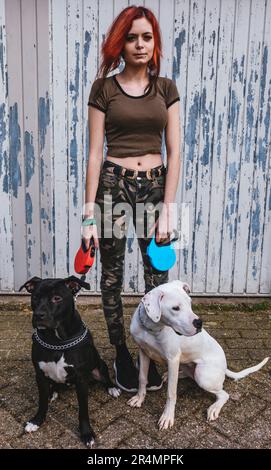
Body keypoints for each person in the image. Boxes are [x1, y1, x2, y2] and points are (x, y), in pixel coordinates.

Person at [82, 5, 181, 392]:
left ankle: (153, 348)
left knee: (159, 278)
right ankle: (121, 351)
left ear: (154, 43)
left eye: (147, 37)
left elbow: (175, 151)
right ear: (119, 43)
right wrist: (88, 214)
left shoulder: (166, 88)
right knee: (111, 276)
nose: (139, 44)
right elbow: (93, 154)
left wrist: (168, 208)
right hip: (112, 186)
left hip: (156, 189)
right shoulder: (103, 88)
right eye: (131, 37)